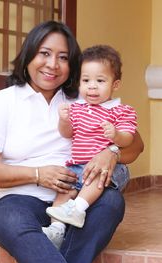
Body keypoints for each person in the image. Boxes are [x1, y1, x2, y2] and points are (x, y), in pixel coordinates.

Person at [0, 21, 144, 263]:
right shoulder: (2, 102)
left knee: (110, 203)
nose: (53, 64)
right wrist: (37, 174)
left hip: (75, 195)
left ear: (72, 64)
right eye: (44, 53)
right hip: (20, 196)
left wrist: (112, 153)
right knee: (10, 220)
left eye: (63, 57)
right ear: (28, 56)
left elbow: (136, 146)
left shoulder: (87, 95)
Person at [42, 45, 137, 249]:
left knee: (95, 177)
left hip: (109, 169)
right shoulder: (77, 108)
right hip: (77, 166)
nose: (92, 87)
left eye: (100, 81)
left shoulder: (122, 111)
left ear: (116, 84)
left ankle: (78, 207)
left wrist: (116, 135)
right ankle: (56, 230)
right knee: (63, 192)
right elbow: (67, 134)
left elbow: (129, 139)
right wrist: (64, 120)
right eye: (86, 81)